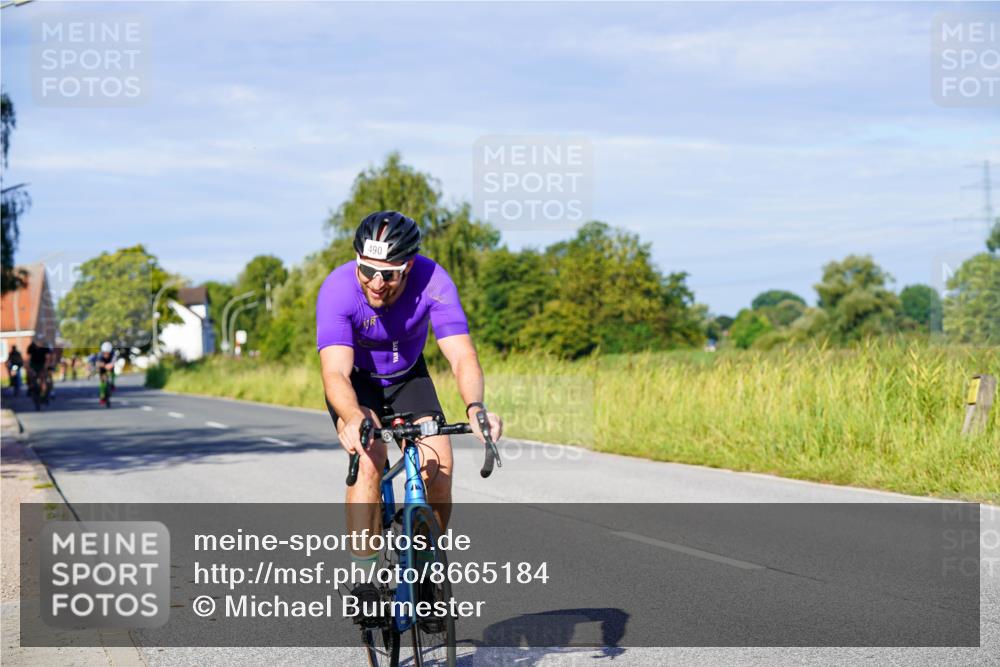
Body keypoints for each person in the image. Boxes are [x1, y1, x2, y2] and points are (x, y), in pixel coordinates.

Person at [316, 210, 503, 610]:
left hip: (408, 377)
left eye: (390, 274)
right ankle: (363, 578)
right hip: (358, 383)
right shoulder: (337, 289)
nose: (376, 283)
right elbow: (335, 372)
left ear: (410, 267)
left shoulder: (434, 281)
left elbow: (462, 356)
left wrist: (475, 406)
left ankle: (426, 570)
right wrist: (352, 418)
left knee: (441, 465)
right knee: (370, 460)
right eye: (367, 270)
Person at [26, 338, 51, 403]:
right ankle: (30, 387)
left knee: (43, 379)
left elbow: (47, 358)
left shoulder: (45, 347)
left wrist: (46, 367)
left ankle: (43, 395)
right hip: (33, 364)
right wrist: (28, 367)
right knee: (30, 375)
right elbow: (28, 358)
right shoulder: (31, 347)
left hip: (42, 364)